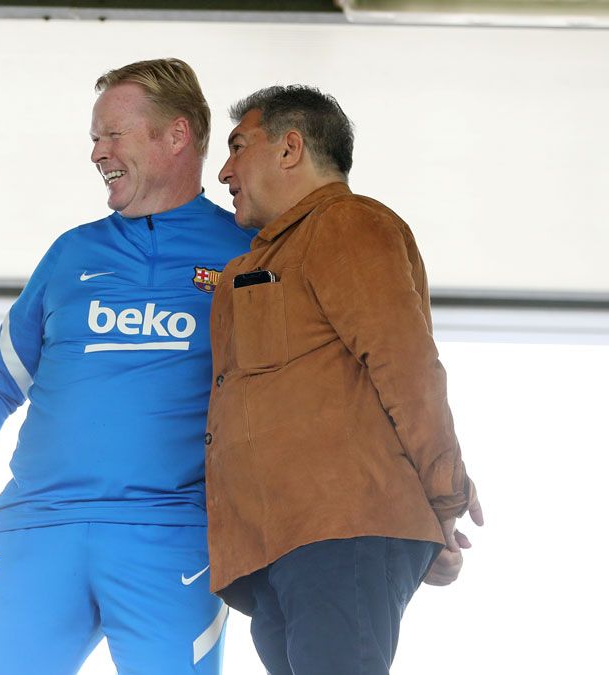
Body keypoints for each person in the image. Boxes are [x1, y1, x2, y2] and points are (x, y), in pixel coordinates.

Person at [0, 58, 252, 674]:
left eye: (113, 134)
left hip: (172, 536)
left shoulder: (248, 252)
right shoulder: (71, 253)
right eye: (94, 138)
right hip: (37, 528)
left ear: (176, 136)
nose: (98, 153)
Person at [205, 85, 485, 675]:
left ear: (289, 149)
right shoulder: (264, 258)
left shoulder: (347, 224)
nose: (225, 171)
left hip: (339, 536)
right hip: (283, 548)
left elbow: (406, 365)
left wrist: (444, 501)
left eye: (237, 147)